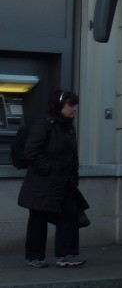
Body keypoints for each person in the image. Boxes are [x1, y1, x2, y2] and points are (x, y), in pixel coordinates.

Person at [18, 89, 88, 268]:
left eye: (74, 106)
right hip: (43, 182)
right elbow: (31, 152)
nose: (74, 109)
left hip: (65, 182)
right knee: (38, 218)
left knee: (70, 215)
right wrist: (47, 169)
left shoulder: (68, 128)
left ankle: (67, 255)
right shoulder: (44, 125)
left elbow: (73, 156)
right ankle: (35, 257)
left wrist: (74, 176)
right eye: (70, 105)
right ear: (59, 106)